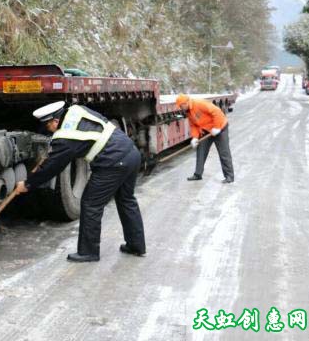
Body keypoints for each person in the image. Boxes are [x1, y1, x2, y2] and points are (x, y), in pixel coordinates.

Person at [15, 101, 146, 262]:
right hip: (130, 152)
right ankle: (136, 245)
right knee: (126, 199)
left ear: (55, 121)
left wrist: (27, 184)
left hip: (113, 162)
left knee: (91, 204)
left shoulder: (65, 138)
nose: (48, 130)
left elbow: (52, 168)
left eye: (48, 126)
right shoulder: (77, 110)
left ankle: (88, 252)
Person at [175, 94, 234, 183]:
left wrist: (217, 127)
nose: (180, 108)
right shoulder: (188, 111)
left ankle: (229, 176)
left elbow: (217, 112)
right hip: (207, 130)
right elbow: (193, 125)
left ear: (185, 103)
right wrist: (195, 137)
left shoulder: (199, 104)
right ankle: (198, 174)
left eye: (180, 106)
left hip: (220, 128)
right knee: (201, 150)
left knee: (224, 152)